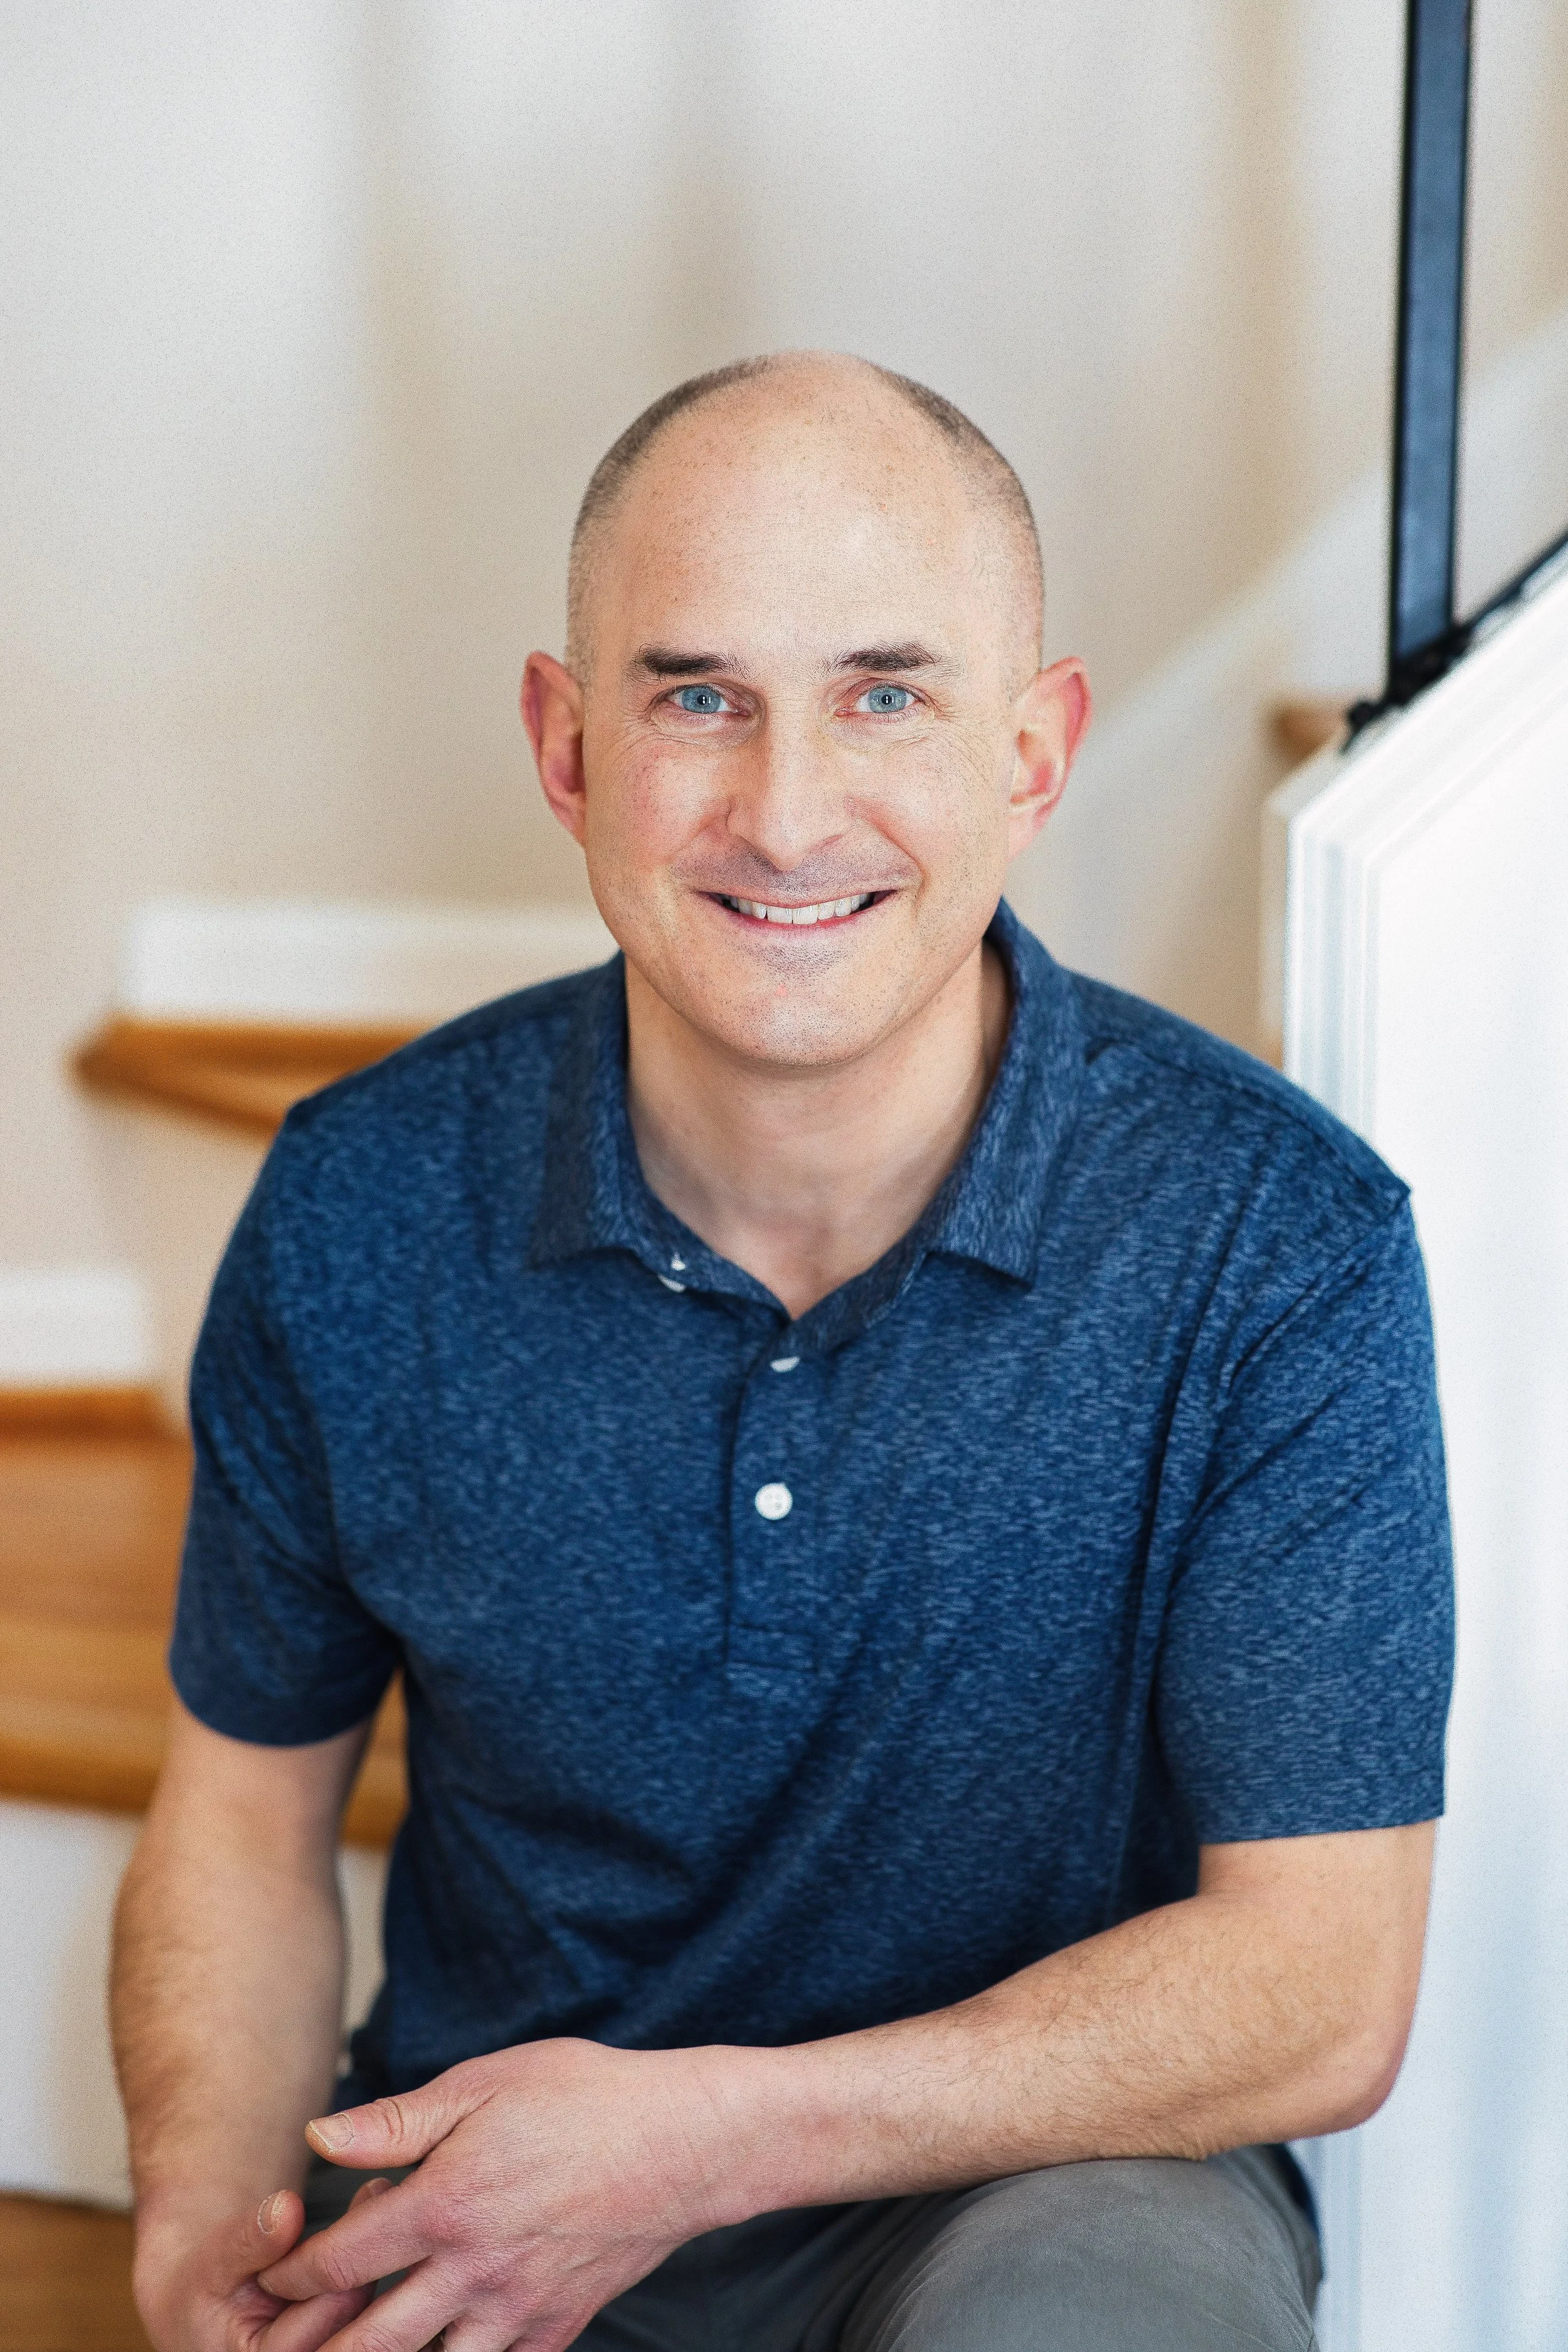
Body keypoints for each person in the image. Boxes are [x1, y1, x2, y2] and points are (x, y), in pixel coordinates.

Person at [112, 351, 1453, 2352]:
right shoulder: (360, 1203)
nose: (784, 806)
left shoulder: (1277, 1244)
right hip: (492, 2167)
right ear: (566, 747)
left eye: (885, 691)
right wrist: (209, 2198)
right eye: (695, 694)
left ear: (1033, 748)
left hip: (1033, 2190)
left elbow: (1318, 1981)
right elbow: (241, 1802)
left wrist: (698, 2139)